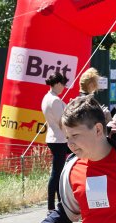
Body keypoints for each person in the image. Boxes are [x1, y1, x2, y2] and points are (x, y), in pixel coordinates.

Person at [42, 72, 69, 211]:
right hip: (59, 139)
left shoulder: (46, 98)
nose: (64, 87)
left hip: (52, 137)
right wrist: (71, 137)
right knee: (56, 173)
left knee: (58, 172)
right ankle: (52, 207)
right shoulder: (55, 100)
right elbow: (62, 123)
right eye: (63, 84)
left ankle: (59, 203)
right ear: (58, 83)